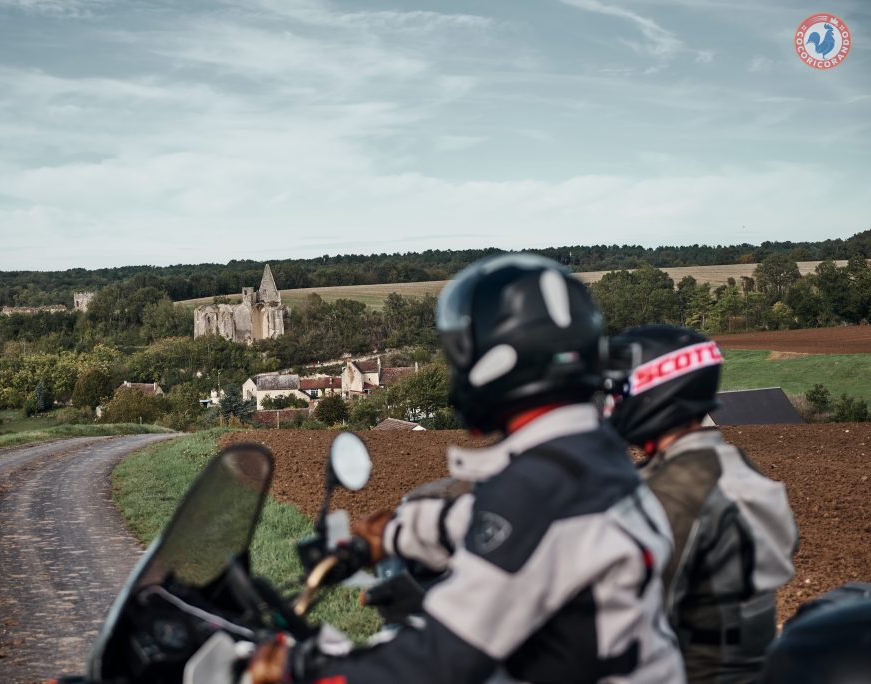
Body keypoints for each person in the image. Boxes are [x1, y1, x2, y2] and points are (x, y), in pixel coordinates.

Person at [252, 254, 685, 683]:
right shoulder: (590, 455)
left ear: (500, 361)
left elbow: (439, 660)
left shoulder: (537, 487)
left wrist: (303, 666)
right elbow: (492, 523)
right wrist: (394, 532)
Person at [604, 325, 799, 684]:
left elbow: (624, 618)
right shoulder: (730, 464)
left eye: (619, 390)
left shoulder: (674, 490)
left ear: (654, 393)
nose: (612, 402)